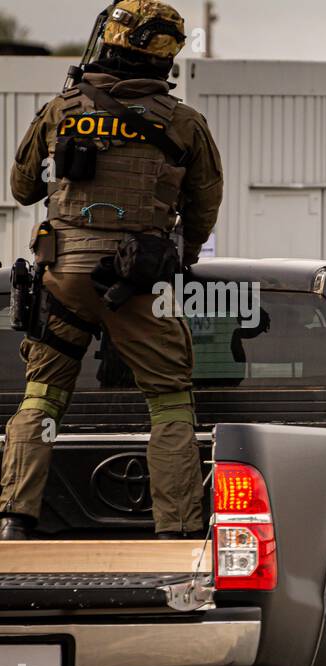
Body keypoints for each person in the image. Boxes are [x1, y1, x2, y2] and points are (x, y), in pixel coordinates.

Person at [0, 0, 223, 540]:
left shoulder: (60, 111)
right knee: (168, 402)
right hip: (138, 283)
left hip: (62, 276)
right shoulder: (185, 123)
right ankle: (176, 530)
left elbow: (23, 189)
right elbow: (203, 209)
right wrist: (178, 260)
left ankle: (13, 519)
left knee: (42, 397)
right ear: (166, 57)